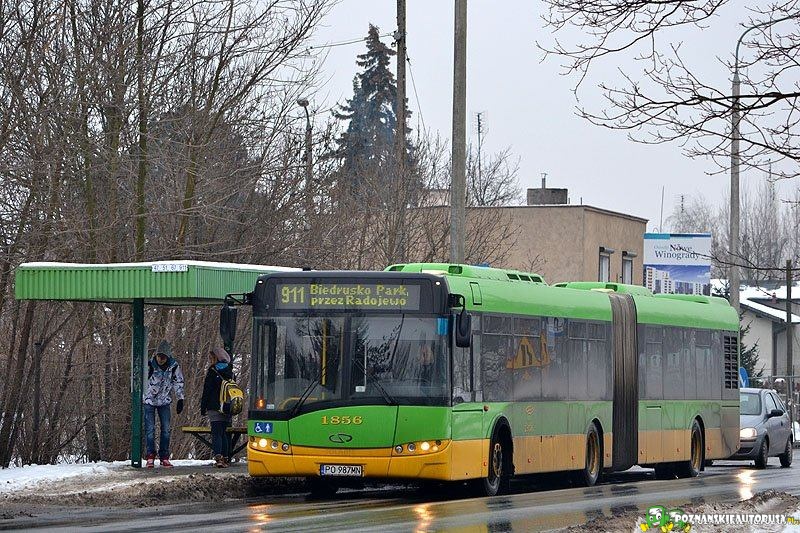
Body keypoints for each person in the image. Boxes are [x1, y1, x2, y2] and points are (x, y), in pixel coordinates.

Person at [143, 340, 184, 468]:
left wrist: (180, 398)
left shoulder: (174, 366)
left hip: (164, 401)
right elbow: (141, 379)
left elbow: (178, 382)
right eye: (159, 356)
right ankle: (150, 455)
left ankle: (164, 456)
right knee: (150, 429)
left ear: (168, 356)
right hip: (149, 400)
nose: (161, 359)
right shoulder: (149, 365)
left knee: (166, 429)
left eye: (163, 357)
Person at [201, 347, 234, 468]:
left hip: (214, 406)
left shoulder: (213, 371)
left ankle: (218, 458)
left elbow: (207, 390)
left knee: (216, 433)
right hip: (227, 406)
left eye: (211, 358)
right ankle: (225, 458)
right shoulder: (230, 372)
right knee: (223, 433)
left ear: (215, 358)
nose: (210, 360)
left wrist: (203, 406)